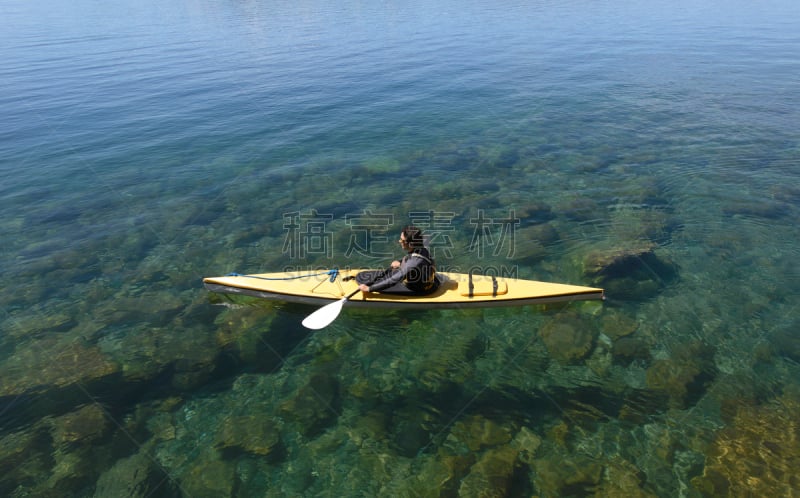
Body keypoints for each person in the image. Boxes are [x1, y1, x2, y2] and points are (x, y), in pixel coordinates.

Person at [355, 225, 437, 295]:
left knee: (387, 281)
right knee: (374, 277)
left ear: (411, 244)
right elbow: (413, 258)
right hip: (426, 281)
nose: (399, 241)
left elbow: (394, 280)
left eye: (402, 240)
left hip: (417, 289)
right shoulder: (421, 246)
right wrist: (400, 263)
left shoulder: (413, 263)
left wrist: (369, 289)